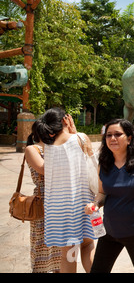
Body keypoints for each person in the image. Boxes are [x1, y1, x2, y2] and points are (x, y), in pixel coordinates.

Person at [85, 119, 134, 273]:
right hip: (109, 231)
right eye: (108, 135)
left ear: (128, 139)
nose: (112, 138)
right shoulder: (104, 164)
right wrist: (95, 204)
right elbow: (102, 192)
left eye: (117, 134)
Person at [35, 107, 96, 273]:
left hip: (56, 209)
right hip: (82, 204)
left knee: (68, 255)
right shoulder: (81, 138)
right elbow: (93, 164)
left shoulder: (47, 147)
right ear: (65, 120)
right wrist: (76, 133)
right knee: (87, 245)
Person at [24, 122, 61, 273]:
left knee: (60, 248)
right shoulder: (32, 149)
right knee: (41, 246)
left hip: (61, 201)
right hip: (42, 201)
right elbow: (44, 169)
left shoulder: (57, 149)